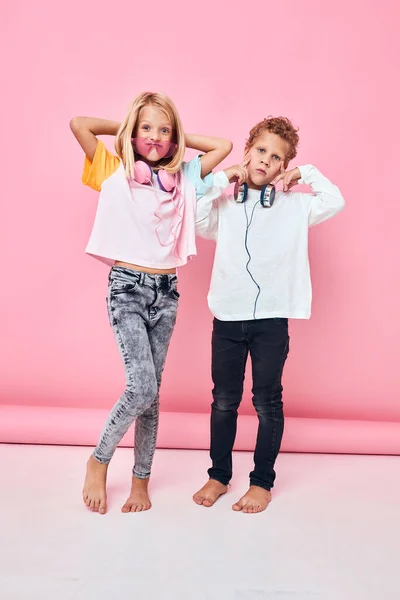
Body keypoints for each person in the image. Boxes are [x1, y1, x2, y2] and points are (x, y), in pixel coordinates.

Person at [70, 91, 232, 514]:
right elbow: (80, 125)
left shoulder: (185, 178)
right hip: (127, 288)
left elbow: (224, 147)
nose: (155, 137)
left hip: (167, 292)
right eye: (147, 128)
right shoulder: (114, 169)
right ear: (133, 132)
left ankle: (141, 481)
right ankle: (98, 460)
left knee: (152, 395)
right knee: (141, 386)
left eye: (164, 130)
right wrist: (127, 130)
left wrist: (176, 140)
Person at [193, 116, 345, 513]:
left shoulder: (296, 206)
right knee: (223, 400)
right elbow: (194, 215)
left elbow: (335, 200)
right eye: (260, 150)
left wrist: (304, 172)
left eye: (276, 157)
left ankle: (262, 482)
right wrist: (226, 177)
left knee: (266, 401)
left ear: (282, 167)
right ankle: (218, 475)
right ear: (248, 152)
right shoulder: (225, 206)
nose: (266, 160)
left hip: (272, 320)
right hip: (227, 316)